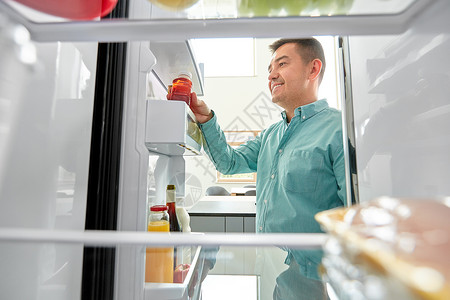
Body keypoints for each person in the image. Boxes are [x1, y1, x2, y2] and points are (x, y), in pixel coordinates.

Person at [188, 38, 346, 298]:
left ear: (313, 69)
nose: (272, 75)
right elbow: (229, 162)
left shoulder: (338, 129)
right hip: (267, 264)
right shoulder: (271, 134)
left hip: (314, 276)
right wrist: (206, 120)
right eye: (269, 69)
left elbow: (353, 215)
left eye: (282, 64)